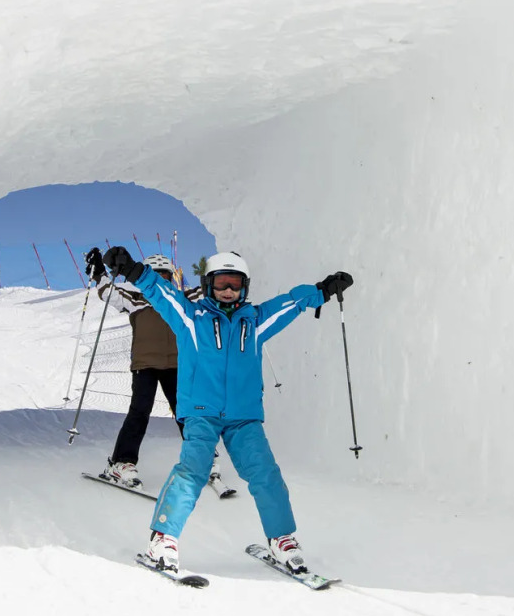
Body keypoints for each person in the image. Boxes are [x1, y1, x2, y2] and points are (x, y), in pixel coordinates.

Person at [101, 245, 353, 574]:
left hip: (243, 417)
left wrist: (322, 291)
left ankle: (282, 540)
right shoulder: (191, 319)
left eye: (235, 283)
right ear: (208, 285)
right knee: (193, 472)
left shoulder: (256, 322)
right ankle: (163, 539)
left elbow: (291, 303)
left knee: (265, 474)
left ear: (245, 286)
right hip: (201, 413)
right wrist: (134, 270)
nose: (228, 290)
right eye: (221, 283)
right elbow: (160, 292)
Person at [84, 247, 189, 489]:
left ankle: (202, 456)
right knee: (139, 412)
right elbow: (109, 293)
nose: (161, 280)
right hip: (145, 365)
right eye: (155, 275)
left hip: (176, 364)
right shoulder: (137, 300)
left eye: (165, 276)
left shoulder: (182, 299)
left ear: (172, 277)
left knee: (185, 411)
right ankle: (121, 463)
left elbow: (211, 295)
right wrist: (99, 272)